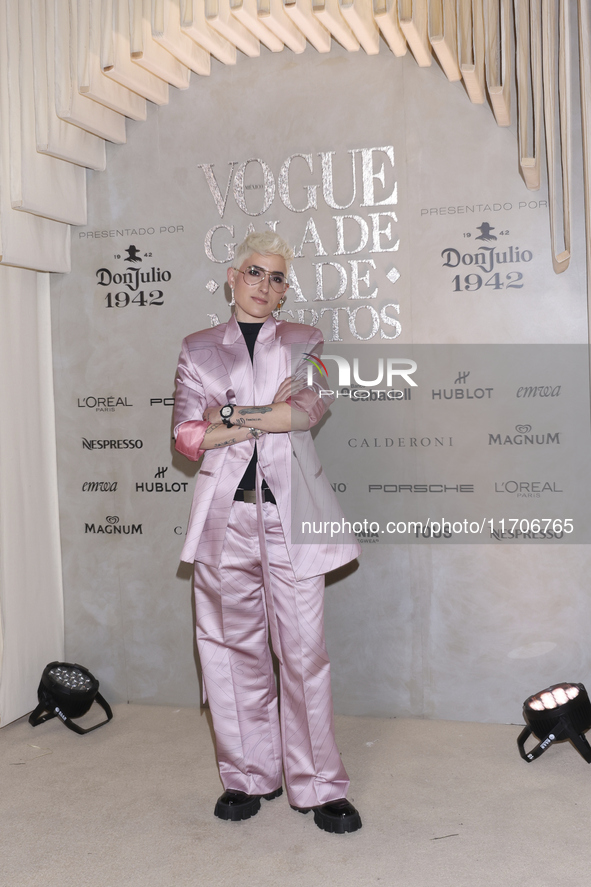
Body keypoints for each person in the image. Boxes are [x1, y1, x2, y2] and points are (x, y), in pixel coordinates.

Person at [173, 231, 362, 834]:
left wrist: (225, 414)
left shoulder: (306, 341)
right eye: (255, 273)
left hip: (291, 517)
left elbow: (304, 412)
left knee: (304, 652)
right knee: (229, 651)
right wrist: (257, 417)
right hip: (226, 520)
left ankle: (319, 784)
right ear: (232, 277)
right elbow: (187, 437)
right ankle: (248, 776)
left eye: (278, 278)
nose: (265, 286)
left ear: (285, 290)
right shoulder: (197, 348)